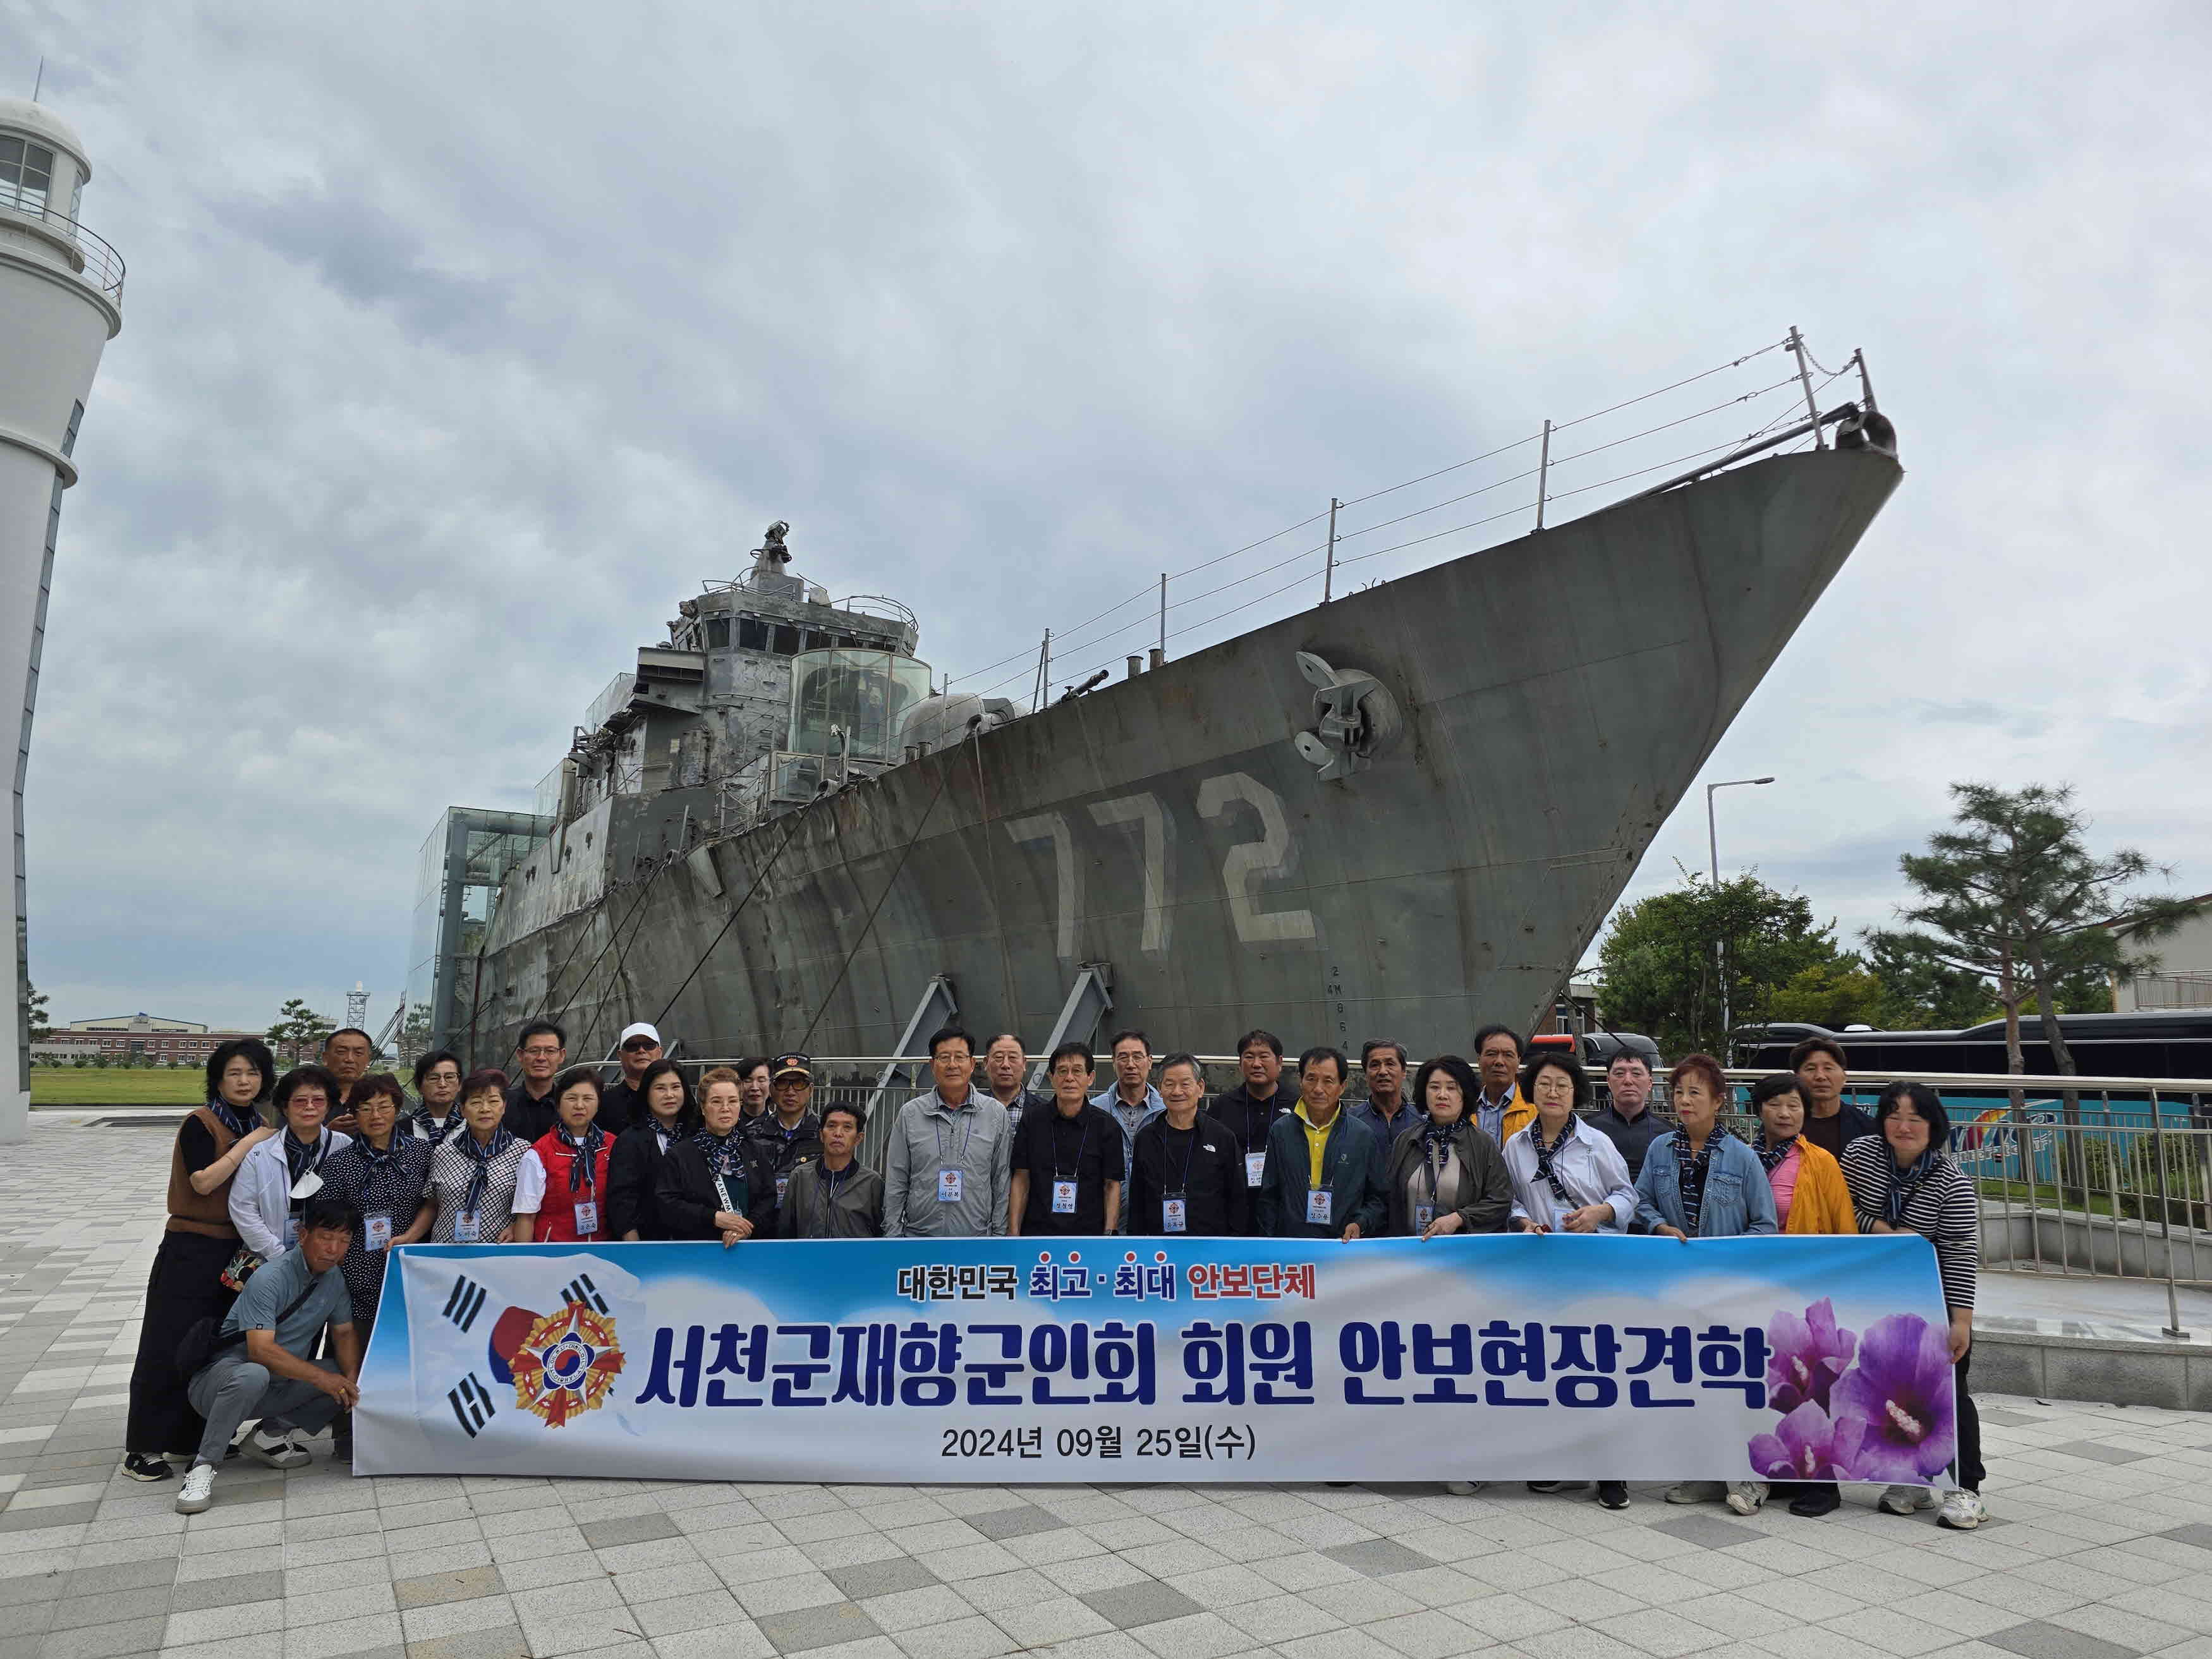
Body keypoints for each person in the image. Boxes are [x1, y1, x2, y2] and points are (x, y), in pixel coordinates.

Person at [122, 1037, 278, 1483]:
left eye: (252, 1072)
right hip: (190, 1246)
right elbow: (204, 1181)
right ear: (218, 1079)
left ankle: (192, 1437)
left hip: (237, 1251)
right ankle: (143, 1445)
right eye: (234, 1072)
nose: (245, 1080)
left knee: (210, 1344)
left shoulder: (258, 1121)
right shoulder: (202, 1122)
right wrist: (250, 1143)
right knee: (165, 1341)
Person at [1635, 1053, 1777, 1515]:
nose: (1684, 1100)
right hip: (1677, 1287)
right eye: (1678, 1091)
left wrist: (1725, 1254)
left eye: (1696, 1091)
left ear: (1719, 1100)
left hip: (1729, 1291)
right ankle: (1702, 1472)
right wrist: (1658, 1226)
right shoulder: (1660, 1150)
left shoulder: (1742, 1156)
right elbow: (1640, 1202)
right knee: (1691, 1379)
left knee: (1734, 1382)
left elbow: (1765, 1226)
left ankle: (1748, 1478)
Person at [1841, 1082, 1986, 1530]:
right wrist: (1889, 1231)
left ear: (1933, 1126)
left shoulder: (1952, 1183)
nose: (1903, 1126)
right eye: (1894, 1115)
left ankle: (1967, 1488)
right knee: (1890, 1392)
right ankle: (1912, 1478)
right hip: (1872, 1297)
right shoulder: (1861, 1156)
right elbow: (1843, 1209)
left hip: (1931, 1303)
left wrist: (1960, 1322)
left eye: (1915, 1118)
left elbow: (1961, 1253)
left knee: (1947, 1396)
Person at [1500, 1048, 1638, 1510]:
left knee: (1600, 1364)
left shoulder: (1597, 1142)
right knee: (1551, 1365)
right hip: (1541, 1268)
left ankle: (1611, 1470)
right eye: (1544, 1084)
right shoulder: (1516, 1145)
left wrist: (1600, 1211)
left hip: (1594, 1266)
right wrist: (1524, 1223)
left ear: (1575, 1091)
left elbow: (1627, 1196)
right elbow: (1510, 1201)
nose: (1553, 1092)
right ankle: (1559, 1460)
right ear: (1531, 1090)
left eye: (1562, 1084)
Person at [175, 1196, 362, 1514]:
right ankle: (203, 1467)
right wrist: (322, 1379)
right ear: (303, 1235)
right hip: (220, 1384)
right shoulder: (270, 1277)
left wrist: (351, 1382)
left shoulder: (334, 1280)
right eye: (326, 1238)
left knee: (342, 1378)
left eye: (344, 1241)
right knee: (255, 1373)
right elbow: (259, 1352)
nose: (334, 1249)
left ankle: (269, 1436)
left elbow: (343, 1333)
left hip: (276, 1385)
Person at [1746, 1071, 1857, 1518]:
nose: (1786, 1112)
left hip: (1807, 1285)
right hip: (1754, 1284)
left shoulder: (1821, 1161)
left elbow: (1844, 1228)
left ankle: (1822, 1482)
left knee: (1815, 1385)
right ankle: (1772, 1472)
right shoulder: (1742, 1157)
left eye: (1794, 1104)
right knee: (1765, 1380)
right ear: (1760, 1109)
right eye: (1776, 1104)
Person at [318, 1073, 432, 1332]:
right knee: (357, 1342)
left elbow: (432, 1201)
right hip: (357, 1268)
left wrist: (411, 1236)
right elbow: (328, 1217)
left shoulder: (422, 1152)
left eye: (384, 1107)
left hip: (408, 1261)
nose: (376, 1116)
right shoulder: (340, 1162)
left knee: (407, 1338)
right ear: (354, 1114)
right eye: (366, 1109)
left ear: (397, 1109)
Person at [883, 1028, 1013, 1237]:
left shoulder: (995, 1114)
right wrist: (893, 1237)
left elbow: (1002, 1180)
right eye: (944, 1057)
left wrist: (998, 1238)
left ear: (972, 1064)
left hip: (977, 1239)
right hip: (919, 1239)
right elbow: (896, 1179)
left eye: (960, 1057)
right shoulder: (910, 1114)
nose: (952, 1065)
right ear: (933, 1065)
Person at [1257, 1047, 1385, 1241]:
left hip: (1342, 1248)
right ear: (1301, 1081)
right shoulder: (1281, 1131)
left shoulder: (1362, 1135)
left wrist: (1360, 1223)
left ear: (1342, 1086)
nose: (1318, 1089)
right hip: (1292, 1248)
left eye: (1328, 1081)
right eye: (1311, 1079)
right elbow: (1268, 1196)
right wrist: (1273, 1239)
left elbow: (1378, 1199)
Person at [230, 1066, 352, 1263]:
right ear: (285, 1107)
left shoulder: (344, 1146)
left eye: (319, 1100)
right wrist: (278, 1254)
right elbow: (243, 1209)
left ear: (329, 1106)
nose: (310, 1107)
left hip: (330, 1257)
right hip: (271, 1259)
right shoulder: (260, 1153)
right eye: (300, 1101)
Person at [1386, 1055, 1514, 1239]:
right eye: (1434, 1087)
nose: (1442, 1095)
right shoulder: (1407, 1140)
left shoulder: (1482, 1144)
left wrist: (1460, 1218)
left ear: (1465, 1095)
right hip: (1410, 1252)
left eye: (1452, 1088)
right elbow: (1389, 1198)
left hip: (1463, 1255)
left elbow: (1501, 1201)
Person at [1011, 1042, 1126, 1235]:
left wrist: (1110, 1234)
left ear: (1090, 1078)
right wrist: (1013, 1233)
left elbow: (1112, 1185)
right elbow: (1021, 1179)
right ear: (1051, 1078)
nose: (1069, 1078)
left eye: (1077, 1071)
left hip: (1089, 1236)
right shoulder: (1032, 1121)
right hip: (1038, 1234)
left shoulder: (1107, 1126)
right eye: (1062, 1071)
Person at [1129, 1053, 1248, 1236]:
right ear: (1160, 1089)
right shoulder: (1146, 1138)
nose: (1177, 1092)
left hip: (1210, 1249)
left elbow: (1237, 1200)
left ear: (1200, 1088)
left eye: (1185, 1084)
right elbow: (1137, 1202)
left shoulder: (1222, 1138)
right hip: (1159, 1251)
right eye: (1169, 1084)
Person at [657, 1066, 777, 1244]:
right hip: (697, 1251)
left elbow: (768, 1198)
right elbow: (667, 1205)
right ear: (704, 1108)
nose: (725, 1108)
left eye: (733, 1101)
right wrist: (712, 1217)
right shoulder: (680, 1155)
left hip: (749, 1249)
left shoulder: (754, 1150)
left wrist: (747, 1227)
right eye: (716, 1102)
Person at [425, 1069, 532, 1243]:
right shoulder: (443, 1152)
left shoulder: (524, 1152)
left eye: (493, 1101)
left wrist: (516, 1227)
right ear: (463, 1110)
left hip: (497, 1252)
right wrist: (408, 1237)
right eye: (476, 1102)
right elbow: (431, 1206)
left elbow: (531, 1208)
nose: (485, 1109)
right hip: (445, 1255)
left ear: (504, 1107)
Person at [516, 1066, 614, 1243]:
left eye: (588, 1098)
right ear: (558, 1105)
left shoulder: (613, 1146)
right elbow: (526, 1217)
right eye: (571, 1098)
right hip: (555, 1256)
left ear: (599, 1104)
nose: (579, 1105)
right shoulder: (539, 1153)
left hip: (603, 1253)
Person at [610, 1057, 696, 1240]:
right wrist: (633, 1242)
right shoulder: (630, 1140)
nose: (669, 1095)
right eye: (660, 1088)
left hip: (696, 1241)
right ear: (646, 1093)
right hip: (648, 1242)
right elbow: (622, 1198)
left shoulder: (697, 1133)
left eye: (675, 1087)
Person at [1213, 1029, 1290, 1230]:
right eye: (1249, 1057)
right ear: (1240, 1063)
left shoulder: (1298, 1105)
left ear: (1279, 1062)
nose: (1256, 1064)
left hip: (1284, 1207)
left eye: (1264, 1056)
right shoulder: (1221, 1106)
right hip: (1234, 1206)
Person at [1092, 1030, 1165, 1229]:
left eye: (1137, 1057)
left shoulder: (1167, 1111)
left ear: (1150, 1062)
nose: (1131, 1064)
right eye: (1123, 1057)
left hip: (1154, 1222)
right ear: (1113, 1062)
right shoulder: (1095, 1110)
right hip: (1104, 1221)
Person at [781, 1102, 884, 1237]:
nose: (838, 1133)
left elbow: (881, 1233)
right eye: (831, 1126)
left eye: (847, 1127)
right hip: (807, 1258)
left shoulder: (872, 1182)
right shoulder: (800, 1177)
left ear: (858, 1139)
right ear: (822, 1135)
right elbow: (786, 1231)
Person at [746, 1053, 823, 1221]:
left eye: (799, 1083)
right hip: (762, 1226)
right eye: (782, 1083)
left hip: (809, 1226)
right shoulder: (750, 1133)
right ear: (772, 1090)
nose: (790, 1091)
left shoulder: (825, 1133)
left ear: (811, 1090)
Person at [1792, 1035, 1877, 1160]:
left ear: (1844, 1077)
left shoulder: (1867, 1127)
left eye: (1828, 1068)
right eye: (1810, 1069)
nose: (1820, 1076)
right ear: (1796, 1078)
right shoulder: (1782, 1125)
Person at [1590, 1050, 1667, 1181]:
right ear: (1608, 1081)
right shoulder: (1586, 1129)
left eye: (1636, 1074)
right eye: (1619, 1074)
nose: (1628, 1081)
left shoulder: (1667, 1134)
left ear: (1650, 1083)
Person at [1470, 1025, 1536, 1146]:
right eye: (1491, 1054)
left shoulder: (1535, 1109)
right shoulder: (1465, 1108)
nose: (1499, 1061)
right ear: (1479, 1060)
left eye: (1508, 1055)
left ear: (1518, 1062)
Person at [504, 1020, 567, 1141]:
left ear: (562, 1055)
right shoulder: (502, 1104)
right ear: (520, 1055)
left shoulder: (572, 1105)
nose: (541, 1058)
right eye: (534, 1051)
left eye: (550, 1051)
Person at [1351, 1040, 1419, 1152]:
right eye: (1375, 1065)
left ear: (1404, 1072)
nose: (1383, 1071)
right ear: (1366, 1075)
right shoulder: (1349, 1122)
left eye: (1390, 1064)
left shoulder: (1421, 1122)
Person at [597, 1022, 662, 1133]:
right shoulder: (604, 1104)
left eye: (649, 1045)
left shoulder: (677, 1099)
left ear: (660, 1052)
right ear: (620, 1055)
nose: (641, 1050)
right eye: (632, 1046)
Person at [981, 1033, 1049, 1134]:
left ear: (1024, 1064)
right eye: (999, 1057)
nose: (1006, 1065)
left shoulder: (1046, 1111)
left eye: (1013, 1058)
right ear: (986, 1063)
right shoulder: (972, 1109)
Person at [320, 1026, 375, 1129]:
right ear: (325, 1058)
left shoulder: (377, 1098)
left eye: (358, 1053)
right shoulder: (306, 1098)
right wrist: (328, 1134)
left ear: (368, 1060)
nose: (350, 1059)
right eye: (341, 1052)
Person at [409, 1050, 466, 1145]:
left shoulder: (474, 1127)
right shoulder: (401, 1131)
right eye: (434, 1078)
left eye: (449, 1077)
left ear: (460, 1084)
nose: (442, 1084)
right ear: (419, 1086)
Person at [736, 1056, 773, 1122]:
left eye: (761, 1080)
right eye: (748, 1081)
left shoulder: (779, 1125)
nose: (755, 1087)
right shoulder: (729, 1125)